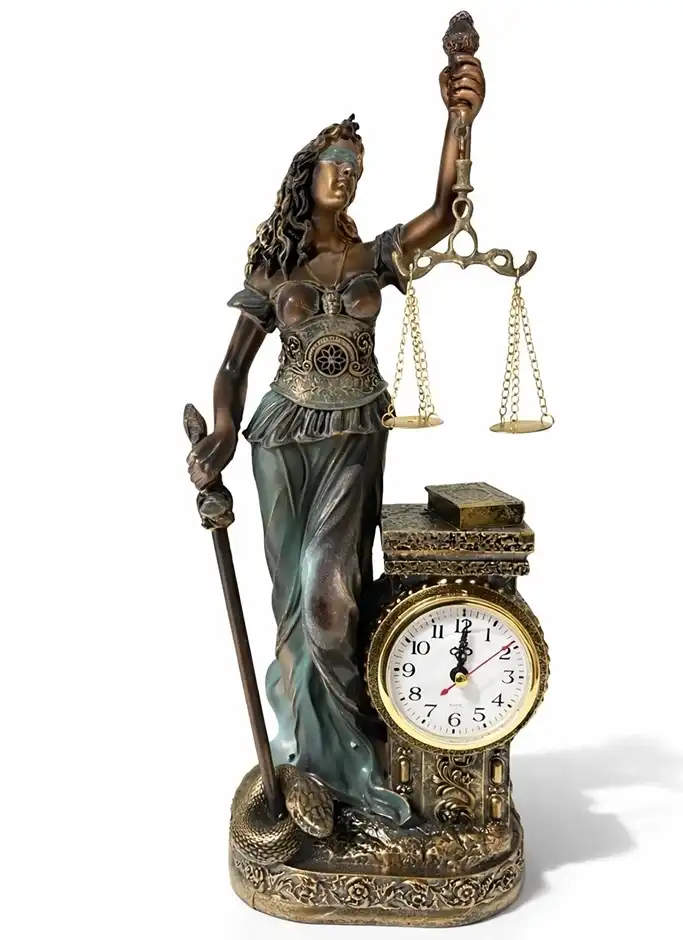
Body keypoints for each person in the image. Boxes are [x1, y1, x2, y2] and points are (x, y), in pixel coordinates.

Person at [187, 54, 485, 825]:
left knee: (331, 600)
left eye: (356, 168)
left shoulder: (371, 257)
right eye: (336, 164)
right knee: (292, 609)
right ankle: (307, 763)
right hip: (283, 441)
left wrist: (459, 119)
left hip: (354, 432)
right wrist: (223, 432)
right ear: (307, 173)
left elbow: (446, 213)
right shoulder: (276, 264)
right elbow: (232, 367)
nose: (346, 177)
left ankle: (355, 760)